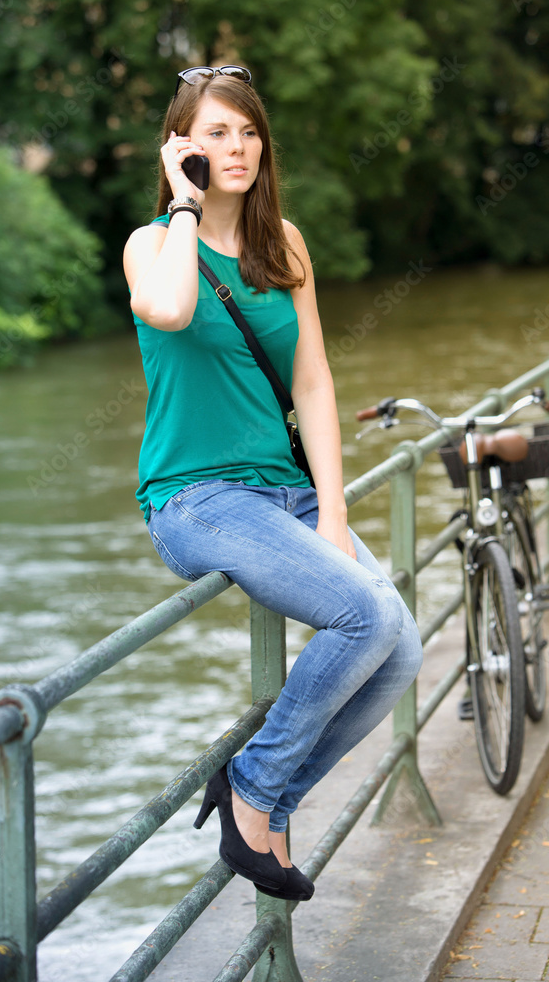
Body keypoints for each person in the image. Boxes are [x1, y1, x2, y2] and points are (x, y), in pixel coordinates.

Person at [122, 65, 423, 902]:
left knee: (399, 649)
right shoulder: (151, 244)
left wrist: (332, 508)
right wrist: (184, 204)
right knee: (361, 613)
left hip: (285, 492)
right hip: (197, 497)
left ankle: (260, 794)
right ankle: (256, 795)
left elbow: (315, 381)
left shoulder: (283, 243)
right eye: (215, 133)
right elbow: (173, 311)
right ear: (179, 146)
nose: (238, 147)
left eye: (247, 130)